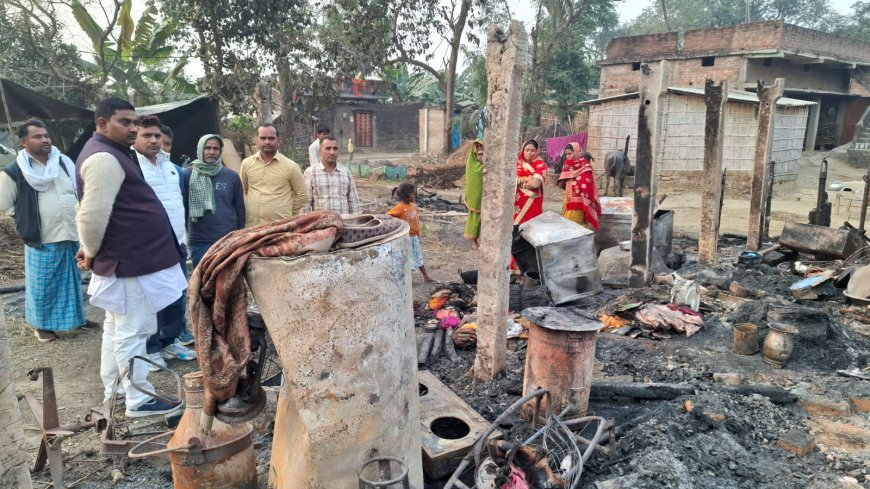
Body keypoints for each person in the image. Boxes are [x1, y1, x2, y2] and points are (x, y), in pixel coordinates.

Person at [75, 98, 185, 417]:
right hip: (128, 260)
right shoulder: (103, 159)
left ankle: (117, 392)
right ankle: (138, 399)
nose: (133, 128)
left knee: (118, 327)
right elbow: (92, 214)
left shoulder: (114, 154)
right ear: (102, 124)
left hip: (133, 257)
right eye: (125, 122)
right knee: (133, 329)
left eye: (134, 122)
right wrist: (91, 251)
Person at [0, 119, 87, 342]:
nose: (45, 140)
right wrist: (25, 219)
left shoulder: (64, 162)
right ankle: (42, 326)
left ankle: (75, 320)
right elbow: (5, 204)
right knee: (43, 285)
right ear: (23, 142)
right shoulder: (15, 170)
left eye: (46, 136)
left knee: (72, 280)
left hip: (71, 232)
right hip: (42, 237)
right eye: (37, 136)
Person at [133, 115, 197, 370]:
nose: (153, 140)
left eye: (157, 136)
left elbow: (179, 204)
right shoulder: (132, 167)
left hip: (177, 243)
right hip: (149, 246)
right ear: (135, 137)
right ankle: (151, 348)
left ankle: (170, 341)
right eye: (146, 135)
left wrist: (183, 239)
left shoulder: (172, 169)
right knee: (153, 300)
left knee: (175, 296)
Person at [184, 134, 245, 269]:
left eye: (216, 149)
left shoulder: (231, 176)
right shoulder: (187, 175)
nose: (212, 152)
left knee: (228, 283)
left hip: (228, 239)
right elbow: (182, 209)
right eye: (208, 148)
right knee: (203, 284)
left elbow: (240, 209)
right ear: (200, 149)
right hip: (200, 241)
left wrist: (239, 237)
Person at [240, 124, 306, 227]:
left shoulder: (291, 166)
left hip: (279, 227)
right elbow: (244, 191)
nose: (267, 142)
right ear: (257, 140)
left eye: (271, 138)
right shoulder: (247, 164)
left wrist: (289, 214)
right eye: (263, 138)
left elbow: (302, 195)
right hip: (252, 226)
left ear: (278, 141)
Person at [388, 182, 436, 283]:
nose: (414, 195)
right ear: (406, 194)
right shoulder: (399, 207)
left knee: (418, 256)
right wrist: (398, 227)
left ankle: (426, 276)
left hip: (414, 237)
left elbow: (416, 222)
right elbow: (388, 216)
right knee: (407, 258)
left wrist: (418, 235)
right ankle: (405, 280)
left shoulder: (414, 206)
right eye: (413, 194)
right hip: (406, 238)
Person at [303, 136, 361, 214]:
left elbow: (354, 202)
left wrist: (356, 222)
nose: (332, 152)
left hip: (343, 223)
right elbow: (305, 204)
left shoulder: (345, 172)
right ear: (320, 151)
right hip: (321, 224)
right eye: (328, 148)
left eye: (335, 148)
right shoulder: (310, 173)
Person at [558, 142, 601, 231]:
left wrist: (586, 202)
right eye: (566, 154)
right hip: (568, 200)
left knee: (575, 227)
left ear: (577, 152)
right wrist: (566, 171)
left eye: (570, 154)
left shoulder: (586, 167)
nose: (567, 156)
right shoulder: (567, 165)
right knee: (567, 224)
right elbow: (561, 185)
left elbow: (588, 188)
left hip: (579, 203)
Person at [514, 139, 547, 226]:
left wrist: (517, 180)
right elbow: (507, 180)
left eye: (532, 150)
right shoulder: (515, 164)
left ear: (537, 152)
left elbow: (535, 184)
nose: (529, 153)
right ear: (522, 150)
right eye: (527, 150)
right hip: (515, 202)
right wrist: (526, 179)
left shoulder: (541, 165)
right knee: (514, 229)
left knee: (531, 228)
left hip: (532, 202)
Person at [463, 139, 484, 249]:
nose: (480, 157)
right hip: (476, 194)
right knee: (475, 217)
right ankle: (474, 241)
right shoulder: (471, 164)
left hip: (486, 195)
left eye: (482, 153)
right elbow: (472, 180)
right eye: (478, 154)